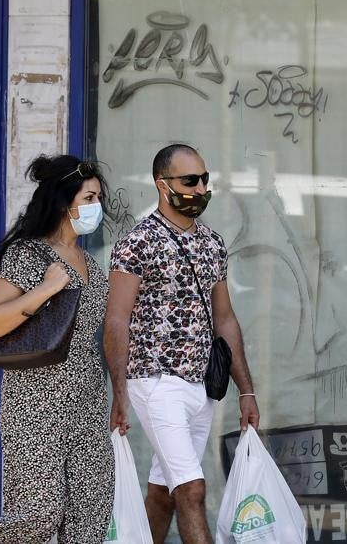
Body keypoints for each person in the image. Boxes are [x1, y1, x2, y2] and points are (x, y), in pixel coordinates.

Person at [105, 143, 260, 544]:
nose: (200, 189)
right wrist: (119, 392)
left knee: (164, 494)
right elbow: (117, 318)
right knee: (192, 489)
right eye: (190, 181)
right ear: (162, 184)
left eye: (205, 180)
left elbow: (225, 318)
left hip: (201, 385)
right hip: (154, 380)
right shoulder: (137, 243)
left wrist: (247, 390)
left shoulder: (212, 243)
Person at [0, 154, 115, 544]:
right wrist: (46, 289)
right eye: (88, 198)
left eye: (98, 198)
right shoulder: (29, 255)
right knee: (37, 513)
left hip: (87, 402)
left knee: (91, 512)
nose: (96, 207)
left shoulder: (90, 262)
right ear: (62, 201)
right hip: (36, 402)